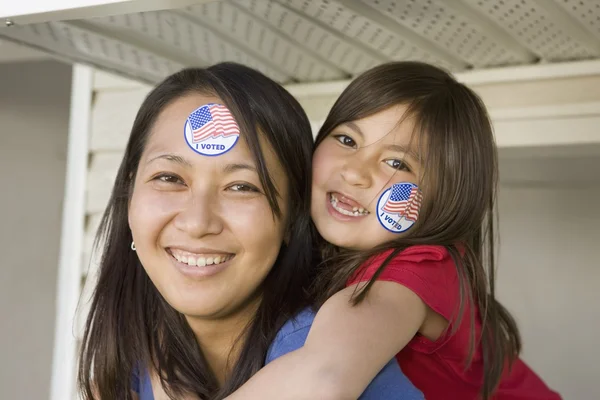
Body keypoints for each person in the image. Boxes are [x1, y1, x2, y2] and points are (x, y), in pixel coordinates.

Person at [77, 62, 422, 400]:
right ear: (129, 194)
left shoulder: (337, 364)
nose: (198, 223)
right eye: (169, 178)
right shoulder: (133, 368)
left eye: (242, 187)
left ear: (292, 217)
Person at [226, 61, 562, 400]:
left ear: (445, 200)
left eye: (397, 163)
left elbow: (323, 378)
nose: (356, 172)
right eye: (346, 139)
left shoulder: (418, 270)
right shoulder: (322, 252)